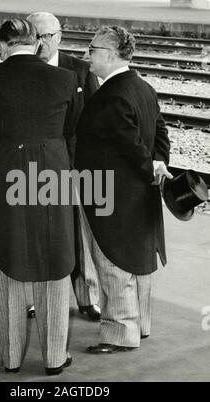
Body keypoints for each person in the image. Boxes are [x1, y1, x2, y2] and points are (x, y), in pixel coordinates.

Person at [0, 18, 79, 375]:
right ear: (36, 43)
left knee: (10, 264)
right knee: (54, 265)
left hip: (6, 182)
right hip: (52, 180)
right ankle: (54, 359)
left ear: (2, 45)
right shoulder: (65, 78)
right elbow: (71, 133)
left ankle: (11, 358)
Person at [75, 26, 172, 354]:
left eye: (92, 49)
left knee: (112, 263)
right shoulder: (142, 87)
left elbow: (129, 144)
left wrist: (149, 166)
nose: (88, 55)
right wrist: (157, 165)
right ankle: (139, 325)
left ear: (110, 54)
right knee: (137, 262)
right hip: (139, 193)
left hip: (110, 194)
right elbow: (160, 131)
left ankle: (119, 333)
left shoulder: (112, 94)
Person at [27, 11, 101, 321]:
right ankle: (35, 298)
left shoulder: (81, 70)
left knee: (82, 235)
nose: (42, 42)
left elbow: (95, 119)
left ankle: (88, 298)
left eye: (48, 35)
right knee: (37, 233)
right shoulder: (21, 70)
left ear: (60, 36)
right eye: (36, 36)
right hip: (34, 168)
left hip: (77, 165)